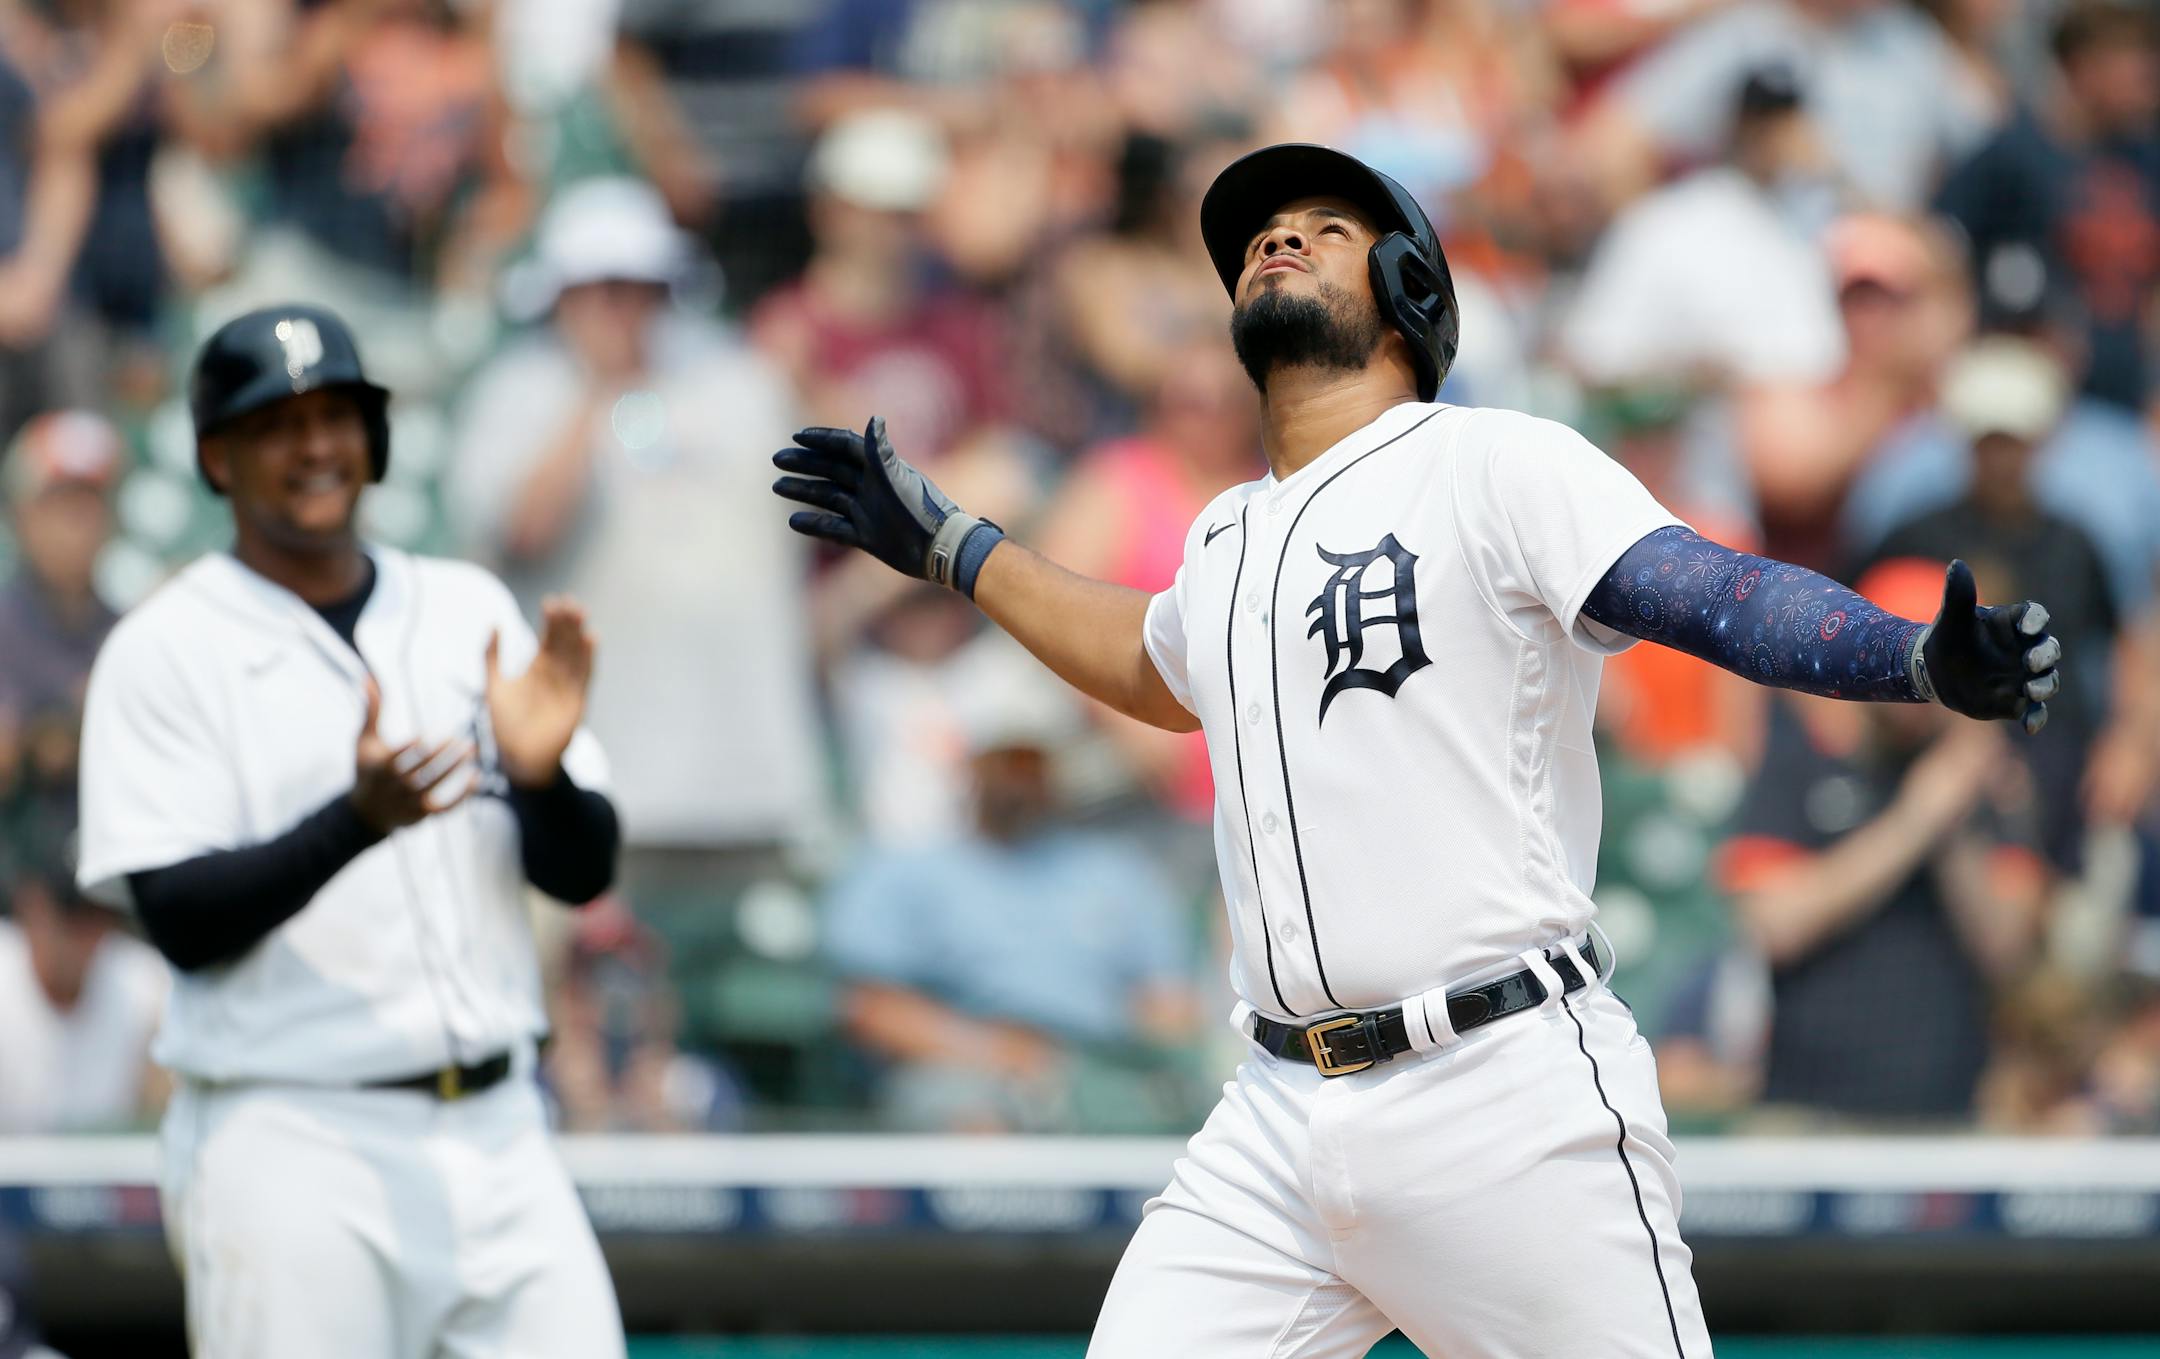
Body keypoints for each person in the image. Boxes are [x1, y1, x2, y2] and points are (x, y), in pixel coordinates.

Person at [772, 141, 2062, 1356]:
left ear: (1408, 290)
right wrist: (958, 550)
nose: (1280, 241)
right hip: (1279, 1114)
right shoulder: (1226, 536)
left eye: (1325, 230)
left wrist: (1905, 658)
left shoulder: (1493, 463)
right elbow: (1147, 664)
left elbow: (1704, 591)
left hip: (1501, 1090)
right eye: (1263, 236)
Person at [76, 304, 626, 1357]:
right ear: (215, 457)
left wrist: (545, 779)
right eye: (278, 423)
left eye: (337, 416)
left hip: (504, 1130)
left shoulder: (468, 608)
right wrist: (354, 825)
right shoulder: (167, 648)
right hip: (291, 1134)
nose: (317, 446)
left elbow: (582, 873)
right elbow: (179, 919)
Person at [1716, 559, 2051, 1126]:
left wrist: (1954, 816)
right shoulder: (1804, 760)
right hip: (1803, 1109)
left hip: (1948, 1111)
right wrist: (1917, 818)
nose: (1919, 680)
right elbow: (1772, 924)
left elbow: (2009, 952)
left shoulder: (1993, 782)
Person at [822, 649, 1200, 1134]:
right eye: (1004, 763)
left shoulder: (1115, 870)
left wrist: (1140, 1046)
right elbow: (870, 1008)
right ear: (970, 766)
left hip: (1098, 1069)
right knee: (972, 1121)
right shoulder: (906, 864)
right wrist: (995, 1052)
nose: (1016, 782)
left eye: (1029, 763)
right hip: (966, 1069)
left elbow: (1169, 1004)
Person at [0, 410, 123, 842]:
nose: (77, 524)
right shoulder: (6, 624)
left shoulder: (126, 631)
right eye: (60, 505)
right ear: (22, 516)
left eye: (89, 504)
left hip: (104, 884)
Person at [0, 832, 167, 1134]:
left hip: (106, 1177)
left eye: (98, 913)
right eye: (71, 912)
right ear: (29, 905)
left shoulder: (145, 986)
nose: (85, 933)